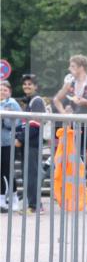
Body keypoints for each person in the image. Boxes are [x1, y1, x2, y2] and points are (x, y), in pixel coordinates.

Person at [16, 75, 46, 214]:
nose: (26, 86)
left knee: (32, 174)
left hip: (32, 144)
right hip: (28, 143)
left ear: (36, 86)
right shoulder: (30, 101)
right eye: (25, 84)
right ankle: (32, 204)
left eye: (30, 84)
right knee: (28, 173)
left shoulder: (37, 101)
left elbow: (35, 125)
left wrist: (20, 139)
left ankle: (36, 206)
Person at [0, 81, 23, 213]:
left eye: (4, 90)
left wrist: (4, 116)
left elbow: (18, 122)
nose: (2, 92)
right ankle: (2, 199)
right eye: (0, 90)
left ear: (9, 91)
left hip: (8, 142)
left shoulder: (12, 103)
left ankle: (14, 198)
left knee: (8, 170)